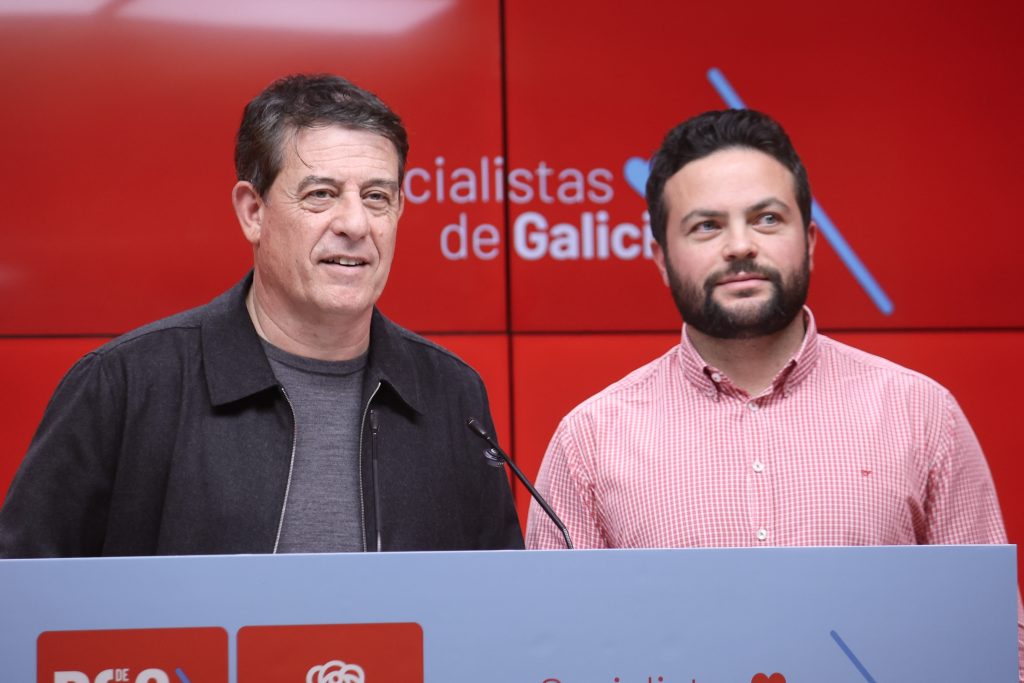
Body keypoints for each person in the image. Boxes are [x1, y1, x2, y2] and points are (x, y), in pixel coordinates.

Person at [524, 109, 1021, 669]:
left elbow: (994, 644)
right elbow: (555, 655)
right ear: (661, 258)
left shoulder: (921, 413)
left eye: (766, 219)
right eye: (706, 226)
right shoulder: (591, 441)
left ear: (809, 240)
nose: (740, 246)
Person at [0, 74, 522, 556]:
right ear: (253, 212)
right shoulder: (126, 386)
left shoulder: (452, 395)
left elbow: (498, 605)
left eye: (376, 197)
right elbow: (24, 600)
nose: (356, 224)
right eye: (321, 195)